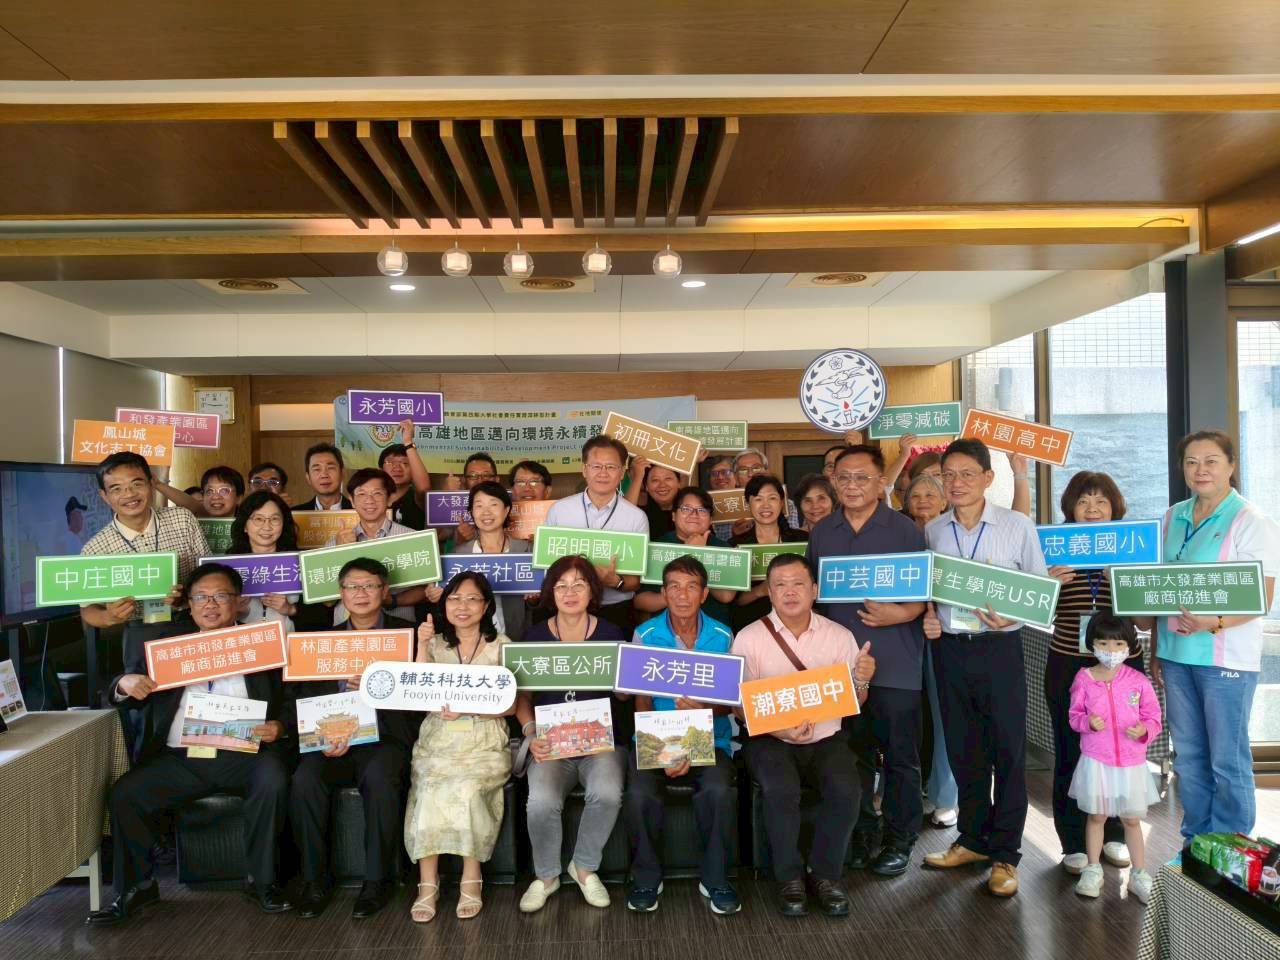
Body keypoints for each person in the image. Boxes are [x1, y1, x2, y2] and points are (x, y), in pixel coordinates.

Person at [87, 563, 292, 924]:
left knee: (273, 778)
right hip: (180, 758)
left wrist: (281, 726)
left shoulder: (262, 642)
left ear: (238, 601)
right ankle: (136, 888)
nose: (210, 604)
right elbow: (120, 688)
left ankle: (262, 881)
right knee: (126, 794)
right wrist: (124, 684)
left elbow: (293, 695)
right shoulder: (167, 645)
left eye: (220, 596)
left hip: (245, 754)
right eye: (201, 597)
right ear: (190, 604)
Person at [921, 438, 1048, 898]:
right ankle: (973, 839)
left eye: (966, 474)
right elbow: (928, 589)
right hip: (950, 650)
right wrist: (929, 616)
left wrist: (1012, 617)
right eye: (948, 475)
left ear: (988, 478)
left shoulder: (1016, 526)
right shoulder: (934, 530)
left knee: (1007, 752)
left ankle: (1006, 854)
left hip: (999, 649)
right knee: (963, 748)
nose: (956, 483)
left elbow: (1039, 590)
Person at [1145, 429, 1279, 840]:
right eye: (1191, 462)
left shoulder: (1250, 520)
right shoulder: (1172, 516)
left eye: (1211, 461)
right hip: (1176, 656)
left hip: (1226, 660)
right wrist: (1156, 650)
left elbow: (1261, 596)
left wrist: (1214, 622)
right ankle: (1197, 844)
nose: (1200, 470)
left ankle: (1231, 850)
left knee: (1227, 760)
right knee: (1189, 759)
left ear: (1231, 466)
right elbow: (1159, 587)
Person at [806, 445, 926, 878]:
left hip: (896, 663)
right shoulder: (823, 532)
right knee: (849, 755)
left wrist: (901, 613)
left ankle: (899, 838)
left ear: (881, 483)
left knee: (900, 758)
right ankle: (861, 831)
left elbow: (925, 598)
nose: (852, 485)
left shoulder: (906, 530)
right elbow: (814, 598)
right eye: (844, 477)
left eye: (862, 477)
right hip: (838, 669)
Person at [732, 553, 873, 917]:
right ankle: (789, 877)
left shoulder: (839, 636)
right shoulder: (749, 638)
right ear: (769, 592)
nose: (789, 592)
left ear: (814, 590)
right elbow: (740, 707)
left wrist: (862, 680)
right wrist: (779, 727)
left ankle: (825, 875)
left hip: (826, 737)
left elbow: (855, 701)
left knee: (847, 789)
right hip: (769, 739)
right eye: (780, 585)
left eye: (798, 584)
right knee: (780, 790)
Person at [289, 558, 418, 920]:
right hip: (330, 742)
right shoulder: (320, 641)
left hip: (385, 738)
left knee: (380, 777)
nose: (361, 594)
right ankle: (315, 881)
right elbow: (303, 698)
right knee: (304, 780)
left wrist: (380, 689)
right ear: (341, 593)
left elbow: (418, 700)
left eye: (370, 586)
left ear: (385, 591)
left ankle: (377, 881)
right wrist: (324, 736)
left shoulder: (406, 637)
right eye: (352, 587)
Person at [625, 556, 739, 915]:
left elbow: (729, 704)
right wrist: (666, 751)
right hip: (656, 740)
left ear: (704, 594)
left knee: (719, 790)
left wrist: (702, 712)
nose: (682, 595)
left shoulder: (723, 636)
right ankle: (646, 878)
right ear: (663, 593)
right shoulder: (645, 635)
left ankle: (715, 878)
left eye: (691, 587)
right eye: (673, 586)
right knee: (639, 794)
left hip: (710, 740)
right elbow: (641, 702)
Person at [514, 556, 627, 914]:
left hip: (600, 743)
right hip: (551, 744)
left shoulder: (611, 633)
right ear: (551, 593)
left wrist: (625, 685)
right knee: (541, 801)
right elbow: (522, 697)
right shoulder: (534, 636)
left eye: (579, 584)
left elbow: (625, 696)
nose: (570, 592)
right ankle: (546, 876)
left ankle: (584, 868)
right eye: (561, 585)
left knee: (607, 793)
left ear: (593, 591)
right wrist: (530, 731)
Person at [1043, 471, 1140, 876]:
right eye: (1084, 501)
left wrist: (1124, 581)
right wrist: (1046, 583)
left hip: (1122, 667)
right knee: (1071, 749)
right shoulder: (1053, 548)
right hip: (1069, 663)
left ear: (1115, 507)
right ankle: (1072, 842)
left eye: (1101, 501)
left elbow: (1144, 618)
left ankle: (1115, 834)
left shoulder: (1132, 548)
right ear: (1071, 508)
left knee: (1119, 750)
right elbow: (1035, 611)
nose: (1093, 509)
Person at [404, 572, 514, 923]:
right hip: (438, 738)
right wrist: (421, 645)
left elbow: (511, 705)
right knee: (429, 787)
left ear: (486, 606)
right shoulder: (435, 643)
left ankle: (471, 877)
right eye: (454, 599)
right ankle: (428, 883)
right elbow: (418, 692)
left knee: (467, 789)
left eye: (471, 599)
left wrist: (470, 709)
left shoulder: (502, 645)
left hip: (484, 738)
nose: (462, 606)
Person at [1067, 613, 1162, 903]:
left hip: (1131, 763)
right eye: (1104, 643)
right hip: (1097, 761)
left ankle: (1139, 874)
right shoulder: (1084, 679)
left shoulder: (1138, 680)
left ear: (1129, 646)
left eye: (1118, 644)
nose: (1111, 650)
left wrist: (1145, 730)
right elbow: (1074, 716)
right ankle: (1093, 870)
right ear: (1092, 644)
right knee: (1096, 816)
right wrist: (1087, 723)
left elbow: (1153, 716)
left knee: (1131, 820)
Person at [79, 452, 209, 629]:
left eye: (137, 484)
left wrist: (185, 596)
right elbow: (87, 608)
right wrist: (108, 616)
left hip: (192, 619)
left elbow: (209, 572)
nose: (129, 494)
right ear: (104, 496)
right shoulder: (95, 549)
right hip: (137, 628)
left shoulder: (182, 520)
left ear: (151, 484)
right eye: (116, 489)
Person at [544, 436, 649, 633]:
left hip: (615, 610)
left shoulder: (636, 517)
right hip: (566, 607)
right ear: (584, 469)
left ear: (622, 473)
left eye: (611, 467)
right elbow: (547, 569)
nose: (603, 473)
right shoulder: (559, 510)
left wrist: (615, 581)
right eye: (596, 466)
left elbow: (635, 582)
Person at [902, 471, 958, 828]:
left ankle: (946, 796)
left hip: (944, 636)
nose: (923, 500)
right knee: (905, 716)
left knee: (944, 716)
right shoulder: (899, 534)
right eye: (916, 495)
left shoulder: (953, 535)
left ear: (944, 500)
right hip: (902, 634)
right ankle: (901, 790)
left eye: (930, 494)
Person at [328, 468, 422, 622]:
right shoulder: (334, 543)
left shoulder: (412, 539)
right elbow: (327, 601)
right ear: (351, 500)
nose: (369, 500)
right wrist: (341, 553)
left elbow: (428, 590)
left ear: (390, 498)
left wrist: (393, 600)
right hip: (348, 629)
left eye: (377, 493)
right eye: (361, 494)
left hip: (399, 625)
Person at [633, 486, 736, 626]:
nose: (694, 514)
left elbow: (726, 596)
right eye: (686, 509)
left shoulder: (724, 548)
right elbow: (640, 601)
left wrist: (700, 555)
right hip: (666, 631)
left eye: (702, 510)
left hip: (712, 631)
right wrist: (677, 597)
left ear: (710, 519)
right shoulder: (656, 548)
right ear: (673, 515)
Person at [452, 480, 530, 640]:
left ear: (506, 510)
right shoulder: (458, 554)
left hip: (515, 636)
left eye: (493, 505)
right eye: (479, 506)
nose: (486, 512)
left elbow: (537, 602)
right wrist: (437, 593)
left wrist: (535, 598)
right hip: (471, 640)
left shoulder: (526, 550)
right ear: (471, 512)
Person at [730, 474, 808, 632]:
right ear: (748, 504)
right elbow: (734, 601)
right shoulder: (735, 545)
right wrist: (759, 591)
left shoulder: (802, 540)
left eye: (772, 498)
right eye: (758, 499)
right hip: (753, 627)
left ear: (781, 502)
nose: (765, 505)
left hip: (798, 625)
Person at [227, 490, 308, 631]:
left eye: (274, 519)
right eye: (258, 519)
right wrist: (232, 608)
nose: (267, 527)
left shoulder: (300, 561)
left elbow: (320, 614)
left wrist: (290, 609)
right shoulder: (228, 564)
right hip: (244, 639)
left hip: (289, 638)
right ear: (244, 525)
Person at [730, 448, 802, 531]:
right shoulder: (727, 506)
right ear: (736, 478)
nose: (750, 474)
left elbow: (793, 537)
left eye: (756, 468)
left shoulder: (787, 505)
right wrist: (735, 536)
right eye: (743, 470)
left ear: (766, 472)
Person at [380, 418, 432, 530]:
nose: (397, 468)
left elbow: (423, 488)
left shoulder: (416, 499)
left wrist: (408, 442)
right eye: (390, 462)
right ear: (380, 470)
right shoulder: (373, 498)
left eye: (404, 463)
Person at [154, 465, 245, 519]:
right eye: (209, 491)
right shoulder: (196, 522)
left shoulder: (248, 525)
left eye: (224, 491)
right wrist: (158, 484)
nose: (215, 497)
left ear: (239, 498)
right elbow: (190, 503)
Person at [624, 459, 683, 541]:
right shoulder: (640, 514)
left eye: (668, 479)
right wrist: (638, 477)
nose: (662, 485)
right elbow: (623, 517)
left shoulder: (690, 512)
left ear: (679, 483)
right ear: (646, 487)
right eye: (655, 480)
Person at [296, 443, 352, 512]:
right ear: (308, 478)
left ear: (342, 473)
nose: (324, 475)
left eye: (330, 468)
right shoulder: (295, 514)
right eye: (317, 469)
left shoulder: (357, 511)